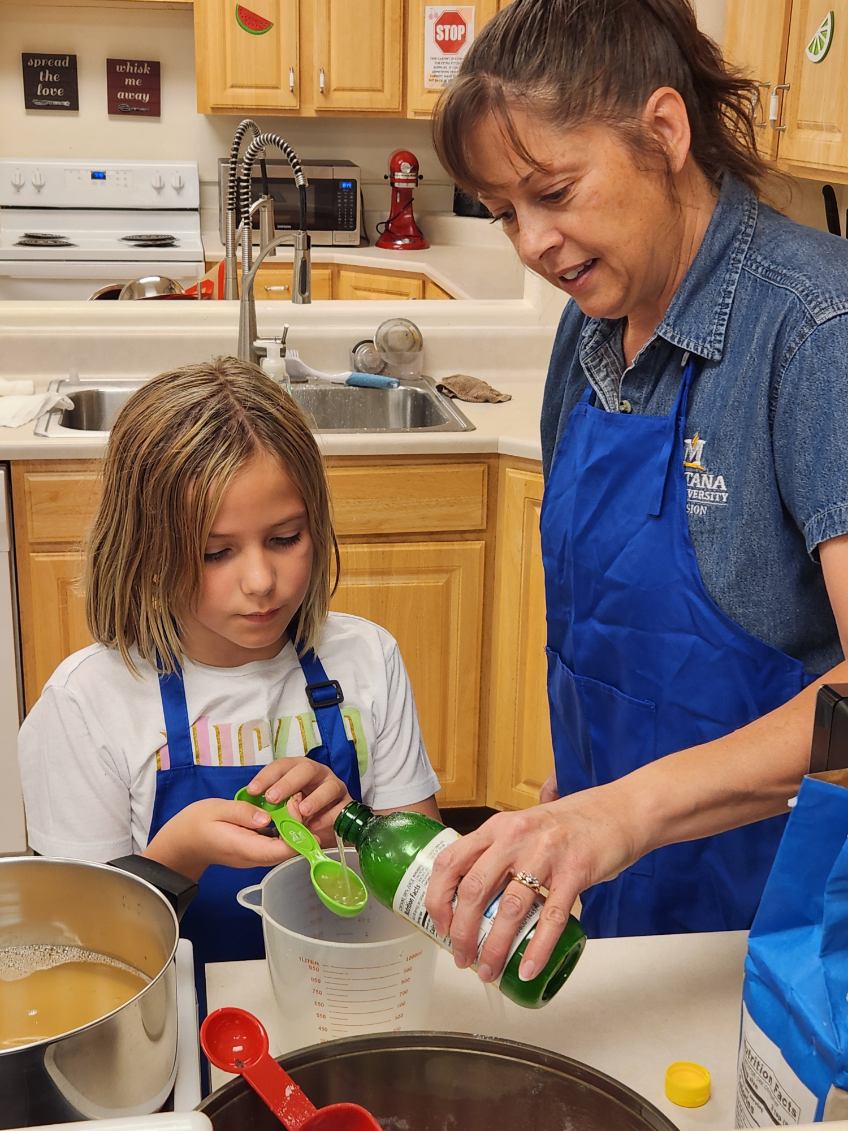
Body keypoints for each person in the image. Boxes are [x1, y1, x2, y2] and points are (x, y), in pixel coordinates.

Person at [424, 0, 848, 985]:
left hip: (777, 921)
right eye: (503, 214)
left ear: (662, 130)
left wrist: (617, 812)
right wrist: (564, 805)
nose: (531, 242)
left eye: (553, 191)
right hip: (615, 892)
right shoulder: (588, 329)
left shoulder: (814, 329)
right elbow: (597, 641)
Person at [18, 359, 441, 974]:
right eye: (216, 552)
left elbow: (429, 884)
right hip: (180, 1026)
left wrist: (353, 826)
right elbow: (82, 959)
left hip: (349, 1002)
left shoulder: (367, 659)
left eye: (285, 538)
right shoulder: (88, 703)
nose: (261, 582)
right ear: (145, 550)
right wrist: (180, 851)